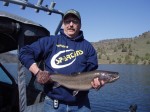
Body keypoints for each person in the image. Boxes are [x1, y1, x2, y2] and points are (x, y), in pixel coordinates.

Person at [19, 9, 105, 112]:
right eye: (67, 21)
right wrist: (38, 72)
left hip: (81, 105)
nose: (71, 24)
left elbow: (92, 73)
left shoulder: (88, 47)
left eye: (75, 21)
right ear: (63, 24)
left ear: (80, 25)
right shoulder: (50, 41)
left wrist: (96, 84)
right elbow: (24, 52)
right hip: (53, 104)